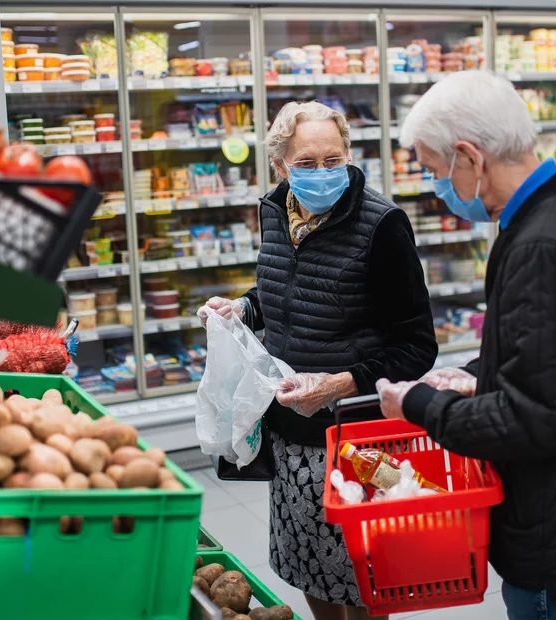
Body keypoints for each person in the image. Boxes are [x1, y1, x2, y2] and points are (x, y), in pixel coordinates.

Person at [375, 71, 556, 620]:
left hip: (552, 528)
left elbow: (534, 419)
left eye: (438, 172)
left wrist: (416, 404)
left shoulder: (542, 246)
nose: (439, 189)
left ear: (470, 157)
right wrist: (477, 373)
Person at [198, 101, 437, 620]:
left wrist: (339, 384)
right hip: (290, 430)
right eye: (307, 163)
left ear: (350, 154)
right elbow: (283, 293)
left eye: (334, 160)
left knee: (365, 575)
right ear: (280, 165)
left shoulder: (383, 225)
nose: (324, 173)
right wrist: (242, 306)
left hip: (355, 438)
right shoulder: (275, 210)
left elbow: (417, 346)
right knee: (308, 565)